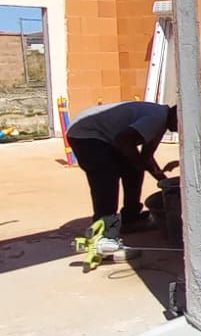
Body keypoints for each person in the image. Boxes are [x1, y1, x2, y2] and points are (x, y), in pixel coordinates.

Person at [65, 101, 179, 240]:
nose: (181, 130)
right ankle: (104, 235)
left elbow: (146, 157)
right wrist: (137, 164)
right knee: (106, 180)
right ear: (177, 116)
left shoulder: (160, 122)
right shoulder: (156, 118)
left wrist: (165, 183)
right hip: (86, 134)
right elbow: (123, 140)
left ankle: (131, 219)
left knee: (134, 169)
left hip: (107, 136)